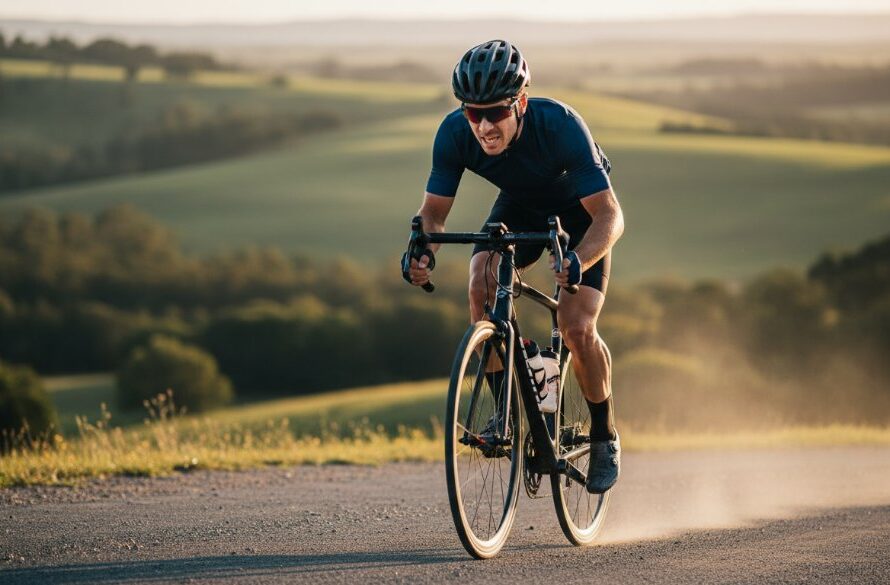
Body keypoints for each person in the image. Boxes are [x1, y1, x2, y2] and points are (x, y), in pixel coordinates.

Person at [405, 40, 624, 494]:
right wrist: (422, 250)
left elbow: (610, 215)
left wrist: (577, 259)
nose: (484, 125)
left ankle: (604, 435)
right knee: (481, 281)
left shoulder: (560, 126)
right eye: (473, 113)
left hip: (580, 214)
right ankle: (509, 407)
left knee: (576, 323)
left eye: (496, 113)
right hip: (521, 206)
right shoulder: (454, 133)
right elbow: (433, 212)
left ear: (520, 103)